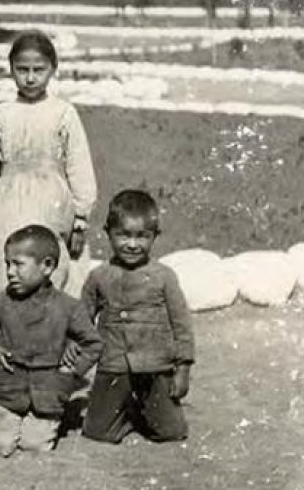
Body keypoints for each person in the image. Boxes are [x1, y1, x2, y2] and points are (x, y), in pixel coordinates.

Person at [0, 29, 97, 298]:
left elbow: (80, 167)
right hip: (7, 207)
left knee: (53, 270)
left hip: (51, 206)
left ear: (53, 69)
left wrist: (79, 220)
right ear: (11, 70)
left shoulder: (63, 113)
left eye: (38, 70)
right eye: (22, 70)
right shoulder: (1, 114)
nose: (30, 77)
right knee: (5, 268)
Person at [0, 225, 103, 457]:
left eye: (18, 264)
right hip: (8, 391)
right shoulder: (1, 301)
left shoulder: (68, 307)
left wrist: (71, 373)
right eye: (7, 264)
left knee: (35, 446)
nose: (10, 272)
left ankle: (44, 422)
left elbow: (93, 343)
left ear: (47, 266)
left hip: (48, 395)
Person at [80, 190, 195, 444]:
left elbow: (182, 325)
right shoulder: (99, 276)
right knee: (97, 432)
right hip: (113, 364)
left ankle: (145, 409)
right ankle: (126, 411)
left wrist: (183, 370)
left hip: (156, 366)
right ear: (108, 232)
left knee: (171, 432)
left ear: (155, 236)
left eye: (142, 236)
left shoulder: (164, 276)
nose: (132, 244)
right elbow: (82, 320)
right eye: (123, 235)